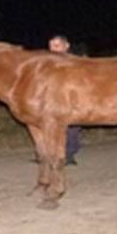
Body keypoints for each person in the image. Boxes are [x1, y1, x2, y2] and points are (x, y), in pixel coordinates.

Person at [47, 35, 82, 166]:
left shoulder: (75, 62)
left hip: (72, 100)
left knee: (71, 129)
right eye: (51, 46)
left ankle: (69, 154)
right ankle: (49, 154)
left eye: (56, 45)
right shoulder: (48, 63)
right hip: (53, 100)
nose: (53, 49)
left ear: (66, 46)